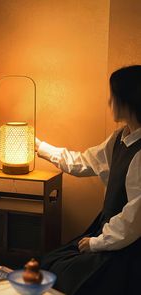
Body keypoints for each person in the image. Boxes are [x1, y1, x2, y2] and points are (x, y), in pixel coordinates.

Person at [35, 65, 141, 295]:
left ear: (128, 100)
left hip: (127, 245)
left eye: (113, 96)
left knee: (66, 276)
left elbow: (134, 220)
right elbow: (83, 162)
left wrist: (96, 243)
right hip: (107, 231)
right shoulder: (120, 138)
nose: (109, 102)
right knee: (48, 262)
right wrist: (40, 147)